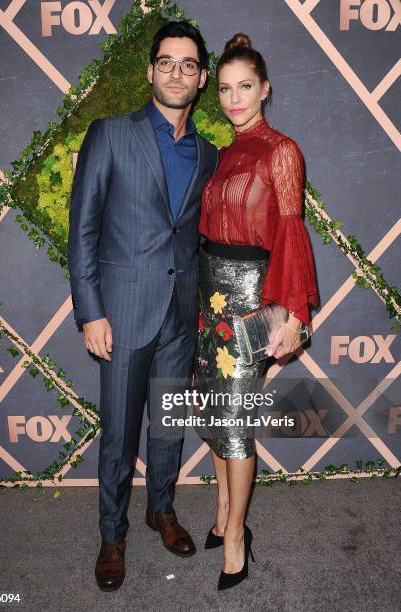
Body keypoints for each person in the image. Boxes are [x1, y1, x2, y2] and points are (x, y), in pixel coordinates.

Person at [67, 21, 218, 592]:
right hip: (123, 313)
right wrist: (91, 310)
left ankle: (162, 510)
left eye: (188, 65)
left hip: (182, 312)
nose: (176, 72)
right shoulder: (109, 134)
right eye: (167, 62)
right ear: (150, 69)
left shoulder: (207, 153)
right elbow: (82, 230)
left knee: (168, 425)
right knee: (119, 434)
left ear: (201, 78)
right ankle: (112, 535)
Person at [194, 33, 319, 590]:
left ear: (265, 89)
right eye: (224, 89)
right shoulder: (222, 154)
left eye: (244, 86)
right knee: (218, 417)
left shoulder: (281, 150)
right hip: (210, 301)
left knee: (238, 425)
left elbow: (290, 232)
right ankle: (223, 510)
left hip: (250, 300)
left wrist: (291, 313)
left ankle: (239, 538)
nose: (234, 98)